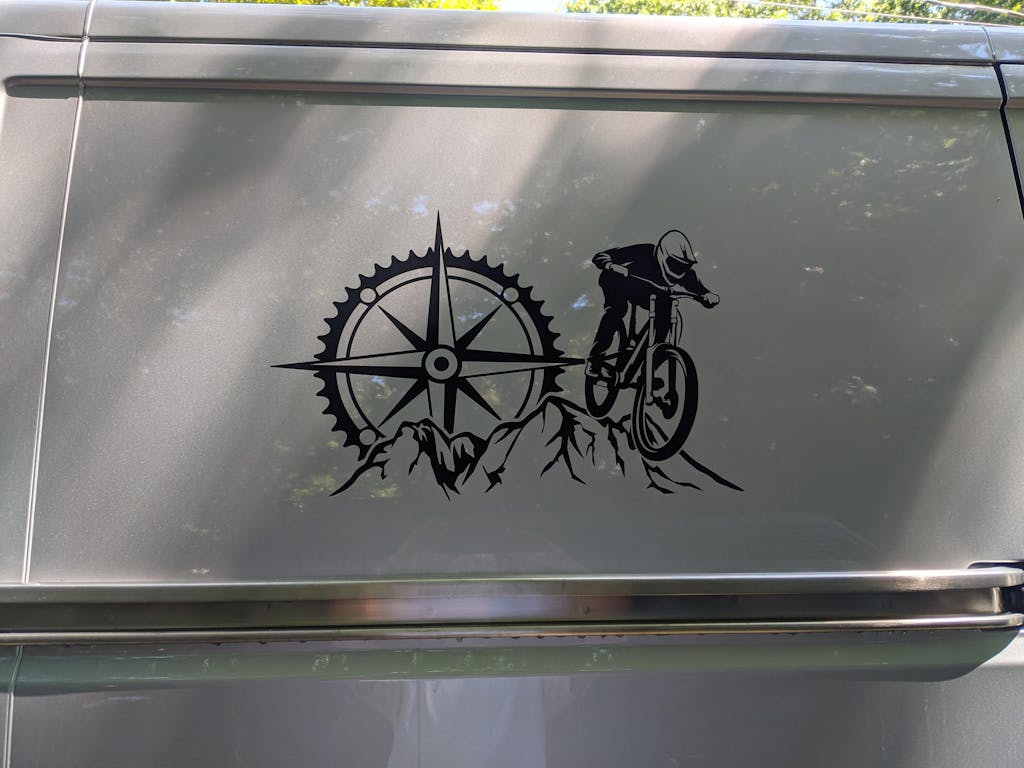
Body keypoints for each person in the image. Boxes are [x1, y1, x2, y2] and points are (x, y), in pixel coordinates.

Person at [586, 230, 719, 378]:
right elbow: (602, 256)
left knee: (666, 314)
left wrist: (707, 295)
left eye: (683, 266)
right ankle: (595, 360)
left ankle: (647, 372)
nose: (678, 269)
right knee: (616, 310)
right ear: (663, 254)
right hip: (618, 282)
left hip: (648, 291)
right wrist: (611, 265)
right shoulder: (645, 252)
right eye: (674, 264)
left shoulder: (685, 273)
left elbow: (698, 289)